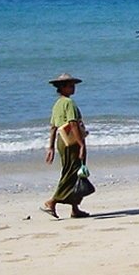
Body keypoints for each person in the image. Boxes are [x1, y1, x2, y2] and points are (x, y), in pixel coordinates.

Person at [40, 73, 90, 219]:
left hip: (62, 141)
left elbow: (53, 127)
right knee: (72, 172)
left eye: (73, 85)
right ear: (62, 87)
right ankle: (52, 201)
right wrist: (81, 145)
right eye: (70, 85)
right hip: (72, 141)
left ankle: (75, 208)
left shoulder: (57, 105)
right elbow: (73, 123)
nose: (73, 88)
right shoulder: (69, 103)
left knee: (75, 172)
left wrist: (51, 147)